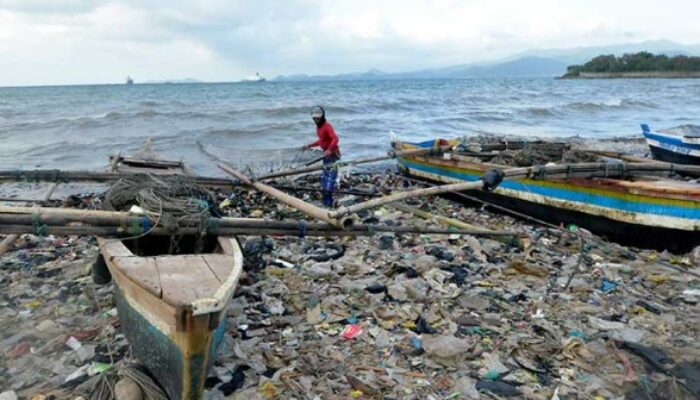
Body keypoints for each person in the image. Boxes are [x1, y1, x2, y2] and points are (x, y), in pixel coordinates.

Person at [302, 106, 341, 207]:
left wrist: (329, 149)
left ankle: (328, 203)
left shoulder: (327, 126)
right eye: (314, 119)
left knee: (330, 179)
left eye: (318, 118)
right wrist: (309, 145)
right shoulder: (318, 127)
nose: (316, 120)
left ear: (322, 117)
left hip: (333, 156)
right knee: (324, 178)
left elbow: (335, 139)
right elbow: (321, 141)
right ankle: (326, 201)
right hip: (325, 156)